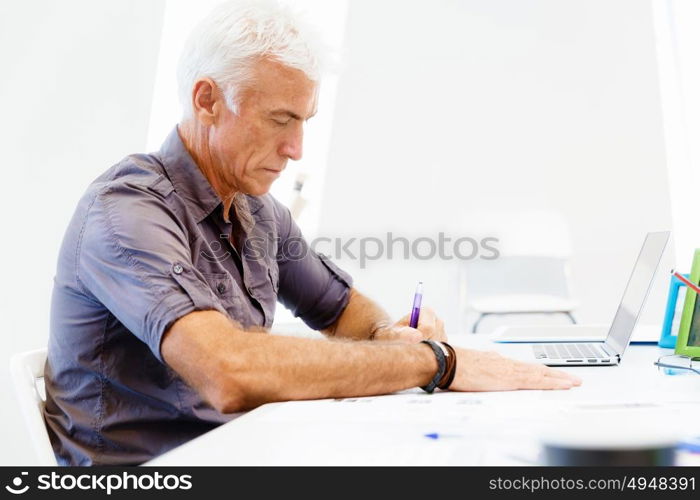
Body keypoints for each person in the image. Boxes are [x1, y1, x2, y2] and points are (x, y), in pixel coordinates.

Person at [43, 0, 581, 466]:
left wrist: (387, 336)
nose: (297, 148)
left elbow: (344, 309)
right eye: (280, 120)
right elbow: (229, 372)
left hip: (240, 456)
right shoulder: (126, 212)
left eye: (304, 122)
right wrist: (433, 362)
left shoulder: (257, 210)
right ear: (207, 101)